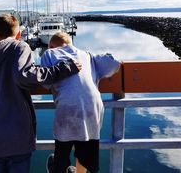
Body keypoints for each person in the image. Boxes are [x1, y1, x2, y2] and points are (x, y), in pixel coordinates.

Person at [0, 14, 81, 173]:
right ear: (18, 35)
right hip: (17, 138)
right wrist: (65, 68)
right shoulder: (19, 47)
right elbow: (25, 75)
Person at [41, 32, 121, 173]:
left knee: (62, 151)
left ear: (50, 45)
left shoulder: (49, 53)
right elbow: (114, 64)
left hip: (68, 109)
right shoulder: (87, 56)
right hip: (93, 109)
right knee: (86, 146)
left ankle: (58, 167)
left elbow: (46, 81)